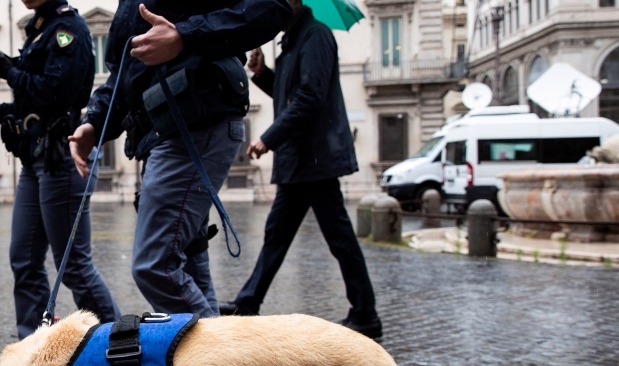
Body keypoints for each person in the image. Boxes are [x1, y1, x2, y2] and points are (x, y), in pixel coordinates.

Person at [69, 0, 290, 319]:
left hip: (195, 126)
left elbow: (272, 7)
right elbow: (123, 73)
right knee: (187, 264)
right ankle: (217, 361)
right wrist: (94, 122)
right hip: (159, 134)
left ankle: (216, 364)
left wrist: (184, 36)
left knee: (155, 266)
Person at [218, 4, 383, 340]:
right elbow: (290, 92)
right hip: (300, 161)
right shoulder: (294, 40)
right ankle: (248, 302)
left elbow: (310, 97)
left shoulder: (315, 36)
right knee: (276, 236)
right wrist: (263, 73)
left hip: (316, 159)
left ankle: (366, 314)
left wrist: (268, 138)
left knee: (340, 240)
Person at [0, 0, 120, 339]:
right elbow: (35, 96)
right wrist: (2, 110)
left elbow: (58, 91)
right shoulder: (40, 29)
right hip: (35, 158)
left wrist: (8, 71)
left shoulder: (69, 30)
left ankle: (117, 341)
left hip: (61, 156)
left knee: (73, 265)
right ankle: (33, 344)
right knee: (23, 259)